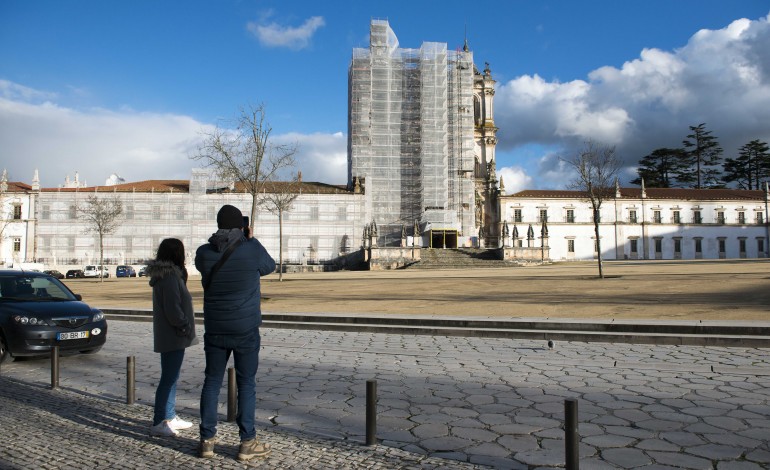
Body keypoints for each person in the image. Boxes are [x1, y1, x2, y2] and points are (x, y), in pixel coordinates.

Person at [195, 205, 276, 461]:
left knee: (211, 382)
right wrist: (252, 239)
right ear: (241, 226)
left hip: (216, 328)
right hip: (245, 329)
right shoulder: (251, 249)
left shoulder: (203, 253)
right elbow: (269, 266)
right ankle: (247, 441)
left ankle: (207, 440)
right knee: (246, 384)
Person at [146, 238, 198, 437]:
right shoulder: (169, 277)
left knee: (171, 377)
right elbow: (173, 309)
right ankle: (160, 420)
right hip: (173, 334)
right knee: (168, 378)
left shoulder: (168, 275)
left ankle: (169, 414)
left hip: (171, 334)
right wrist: (184, 326)